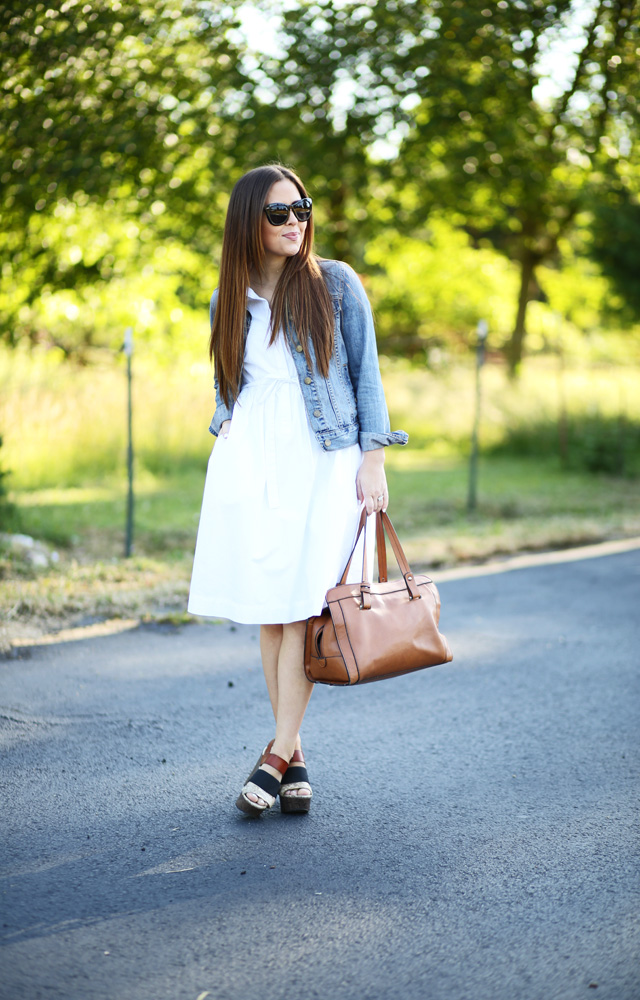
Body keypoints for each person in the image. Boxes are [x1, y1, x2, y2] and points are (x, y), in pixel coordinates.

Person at [188, 164, 408, 817]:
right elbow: (234, 384)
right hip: (252, 463)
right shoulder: (227, 297)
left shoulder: (335, 285)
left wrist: (375, 460)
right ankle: (296, 750)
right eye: (279, 213)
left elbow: (367, 375)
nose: (295, 222)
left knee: (305, 608)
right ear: (248, 223)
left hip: (323, 463)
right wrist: (223, 432)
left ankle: (275, 755)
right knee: (270, 605)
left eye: (302, 208)